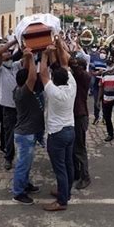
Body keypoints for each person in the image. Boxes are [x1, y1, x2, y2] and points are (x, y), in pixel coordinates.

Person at [40, 41, 76, 212]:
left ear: (55, 79)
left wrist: (45, 55)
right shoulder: (72, 86)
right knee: (68, 165)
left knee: (60, 168)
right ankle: (65, 192)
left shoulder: (54, 92)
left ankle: (62, 201)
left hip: (57, 134)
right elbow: (64, 64)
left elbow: (43, 74)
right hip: (70, 130)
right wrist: (60, 46)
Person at [11, 48, 44, 205]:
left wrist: (27, 58)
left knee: (27, 163)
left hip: (30, 132)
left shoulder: (19, 88)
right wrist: (31, 58)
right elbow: (31, 77)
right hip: (25, 134)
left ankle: (26, 184)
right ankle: (18, 192)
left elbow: (27, 75)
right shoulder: (23, 92)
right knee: (23, 164)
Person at [0, 39, 21, 170]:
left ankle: (23, 156)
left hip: (21, 106)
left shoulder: (16, 65)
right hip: (8, 106)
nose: (8, 53)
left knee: (23, 133)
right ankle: (9, 158)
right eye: (6, 51)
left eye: (9, 51)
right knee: (9, 133)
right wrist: (14, 40)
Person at [70, 57, 92, 190]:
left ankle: (85, 177)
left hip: (80, 115)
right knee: (73, 148)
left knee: (79, 148)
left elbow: (76, 70)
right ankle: (76, 173)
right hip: (75, 115)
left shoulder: (85, 77)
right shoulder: (76, 78)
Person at [89, 47, 107, 125]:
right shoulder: (95, 61)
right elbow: (92, 72)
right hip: (97, 84)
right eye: (101, 52)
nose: (102, 54)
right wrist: (97, 73)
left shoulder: (108, 62)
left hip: (105, 85)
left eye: (104, 53)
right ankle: (96, 117)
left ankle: (105, 117)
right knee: (96, 101)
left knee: (105, 102)